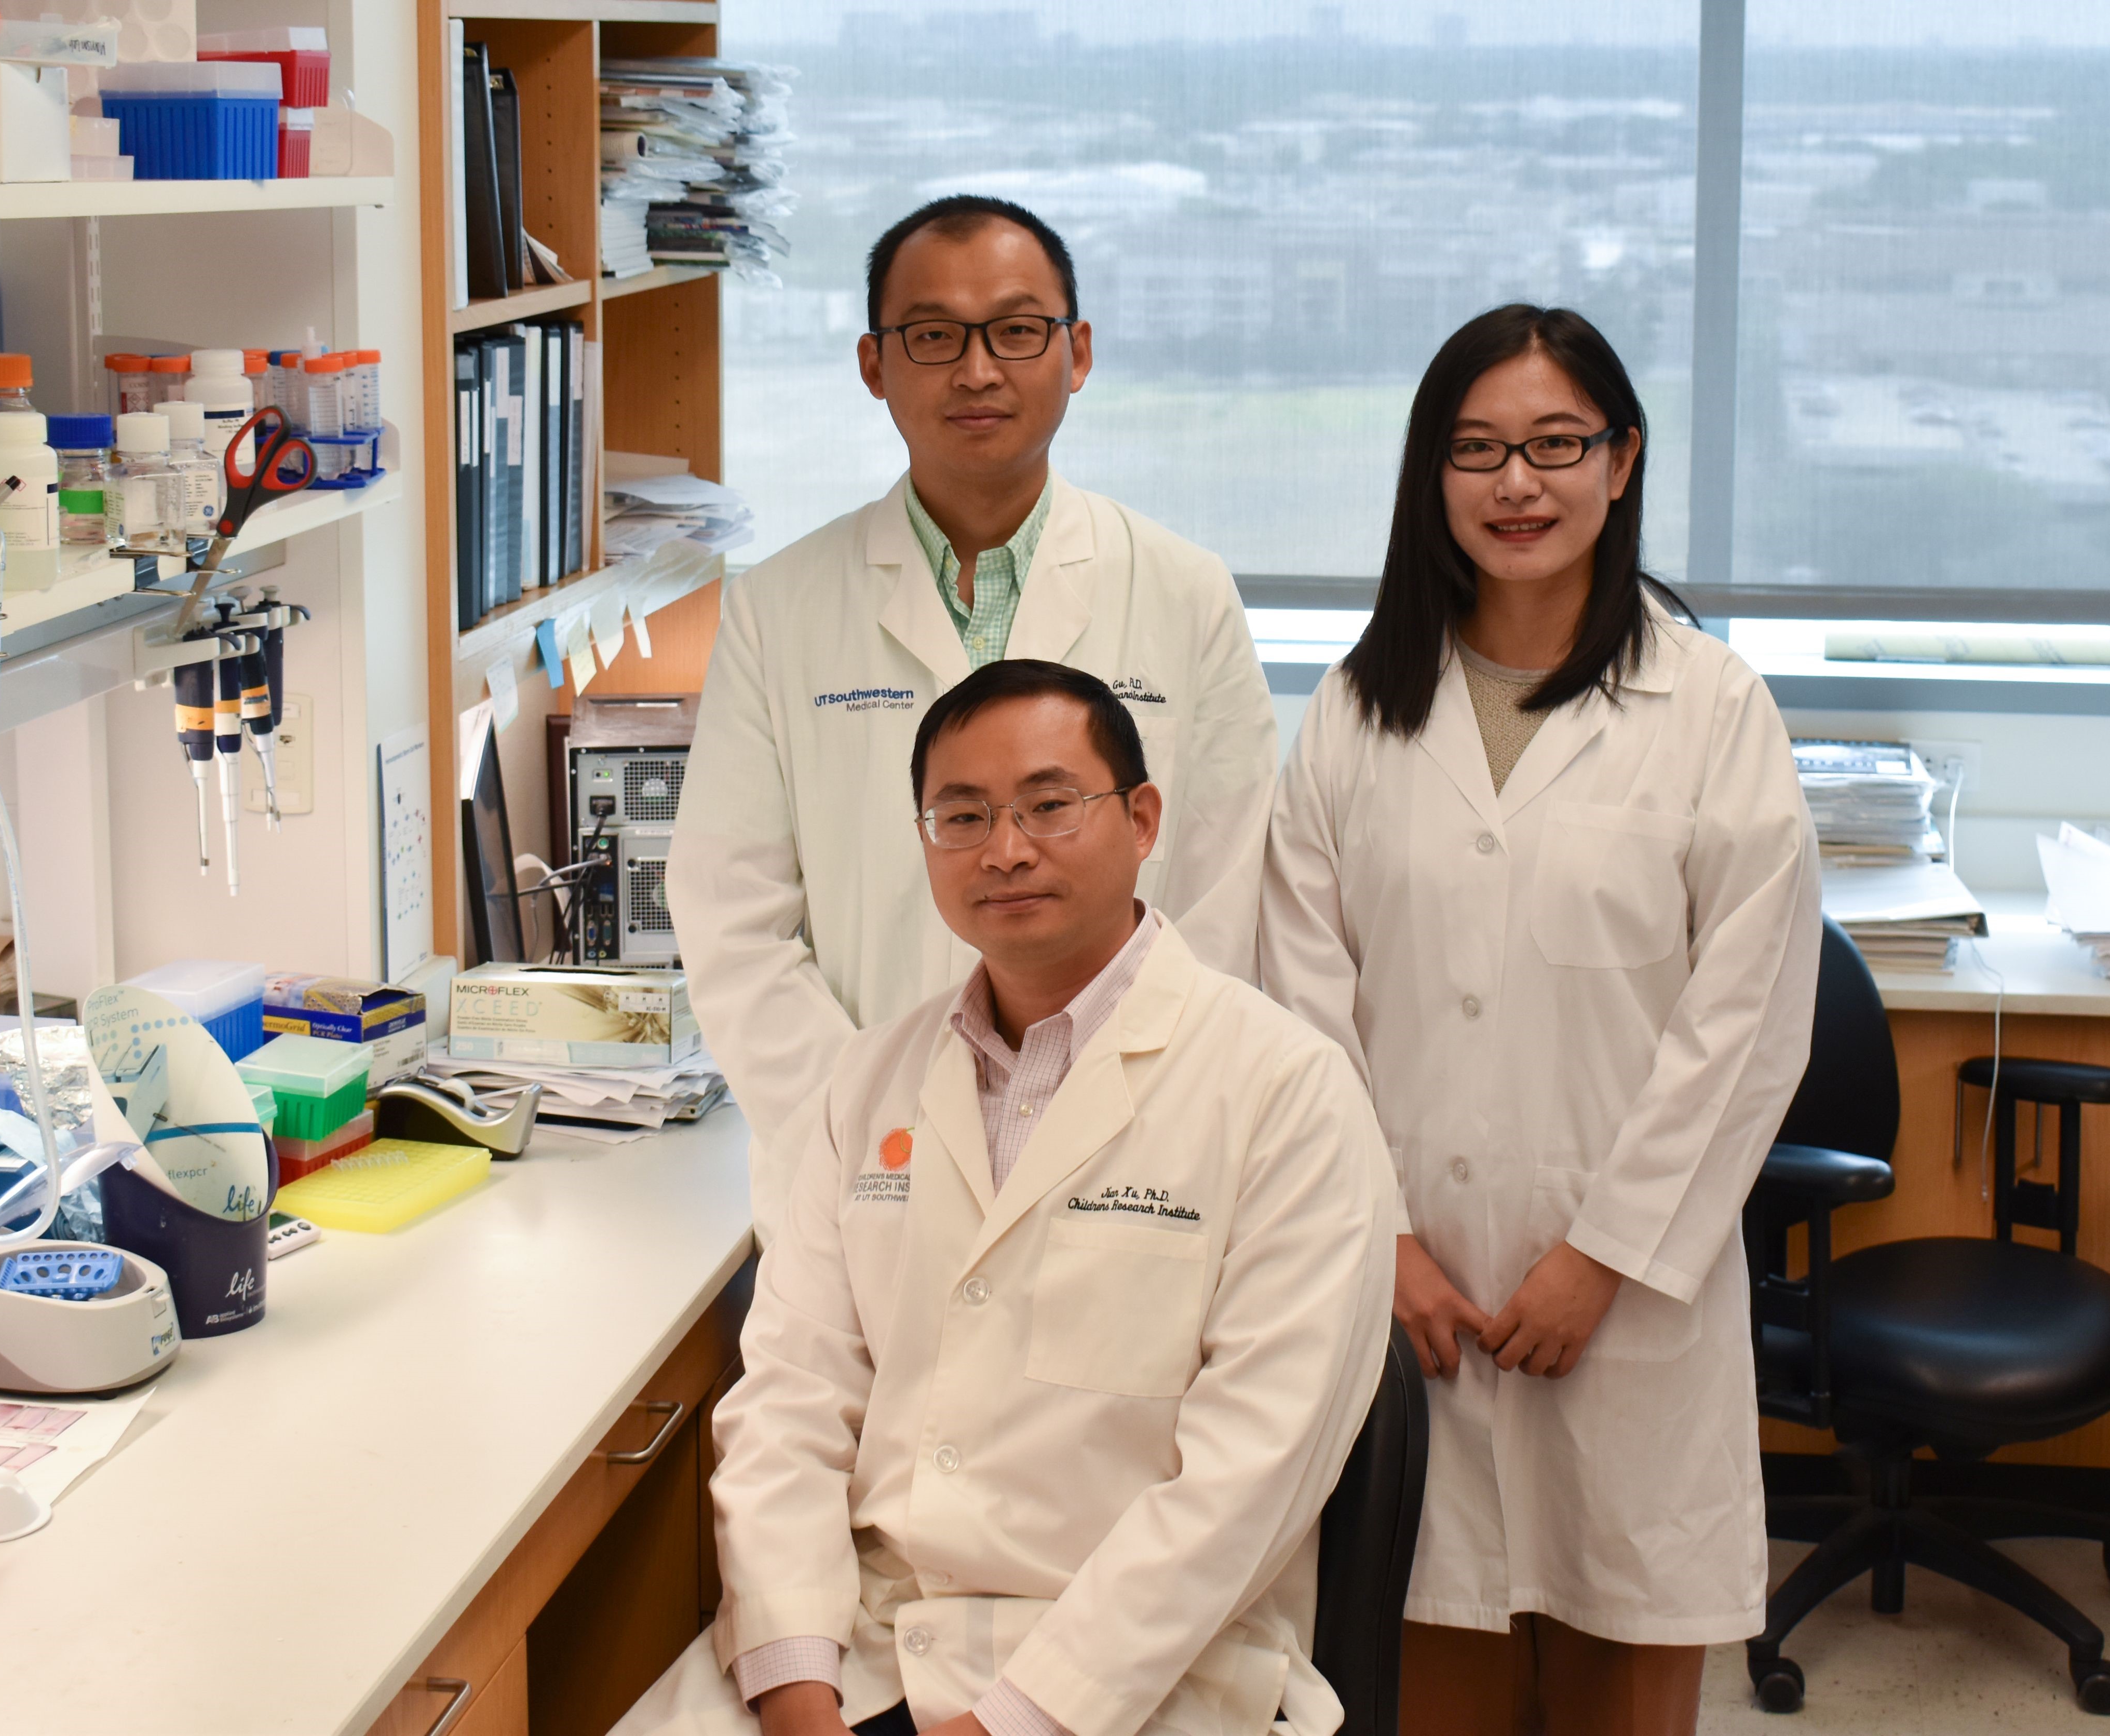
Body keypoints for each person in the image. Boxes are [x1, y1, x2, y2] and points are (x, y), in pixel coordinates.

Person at [617, 660, 1392, 1736]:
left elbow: (1239, 1486)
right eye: (962, 814)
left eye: (1049, 804)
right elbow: (790, 1405)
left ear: (1142, 819)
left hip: (1137, 1681)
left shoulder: (1284, 1093)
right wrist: (798, 1694)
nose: (1006, 848)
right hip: (866, 1653)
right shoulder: (871, 1080)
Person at [1257, 305, 1821, 1735]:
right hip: (1410, 1305)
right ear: (1430, 475)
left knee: (1620, 1672)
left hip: (1629, 1309)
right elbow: (1301, 999)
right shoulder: (1352, 711)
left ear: (1619, 463)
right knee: (1423, 1659)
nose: (1518, 482)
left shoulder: (1711, 708)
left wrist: (1604, 1257)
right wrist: (1378, 1239)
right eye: (1477, 449)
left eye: (1555, 444)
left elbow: (1747, 1022)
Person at [670, 195, 1279, 1243]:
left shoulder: (1182, 591)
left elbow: (1225, 901)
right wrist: (872, 1128)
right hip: (861, 1181)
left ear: (1075, 351)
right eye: (933, 336)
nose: (977, 370)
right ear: (874, 363)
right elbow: (732, 913)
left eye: (1015, 330)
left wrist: (1110, 1119)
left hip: (1125, 1171)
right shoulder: (781, 605)